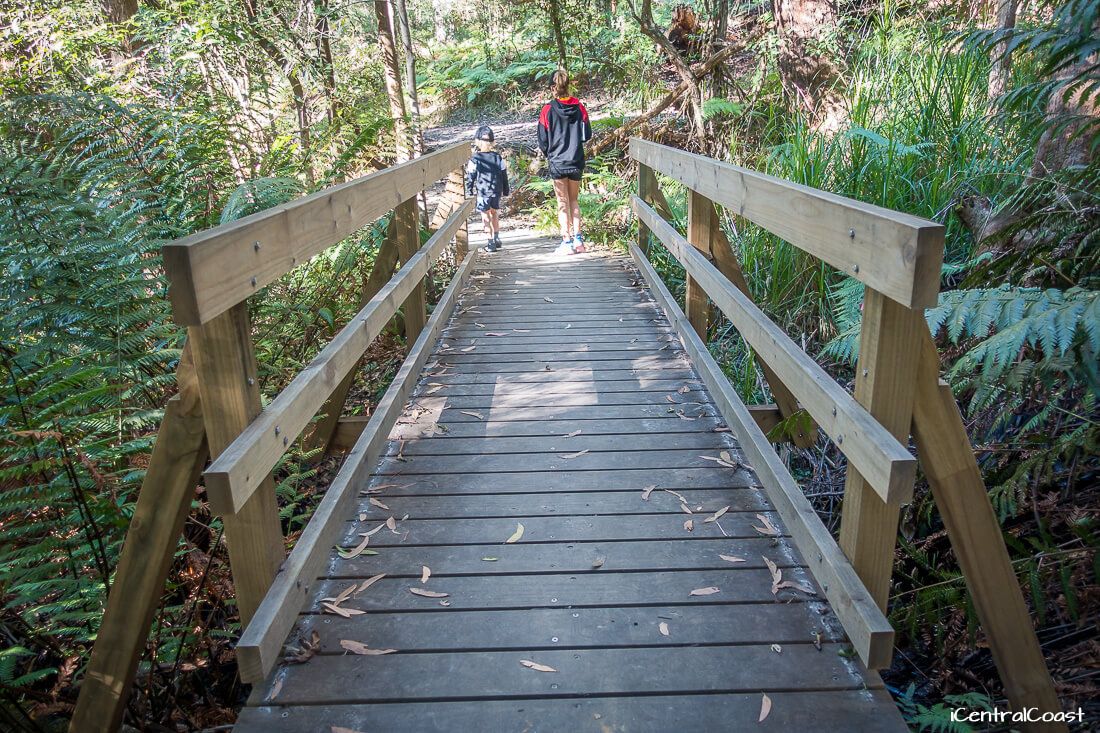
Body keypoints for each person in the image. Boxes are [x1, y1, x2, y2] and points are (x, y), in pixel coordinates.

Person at [537, 69, 592, 255]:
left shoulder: (547, 110)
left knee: (563, 202)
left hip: (558, 162)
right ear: (567, 86)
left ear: (553, 88)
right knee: (574, 200)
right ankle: (579, 241)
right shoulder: (580, 107)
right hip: (576, 160)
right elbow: (587, 134)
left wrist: (550, 154)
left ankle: (566, 242)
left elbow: (542, 140)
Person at [464, 125, 509, 252]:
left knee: (485, 215)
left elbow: (471, 176)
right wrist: (506, 190)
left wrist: (469, 190)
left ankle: (490, 242)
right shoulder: (497, 157)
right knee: (494, 213)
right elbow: (504, 174)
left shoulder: (475, 159)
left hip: (483, 192)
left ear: (477, 141)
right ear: (493, 142)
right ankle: (497, 238)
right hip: (496, 190)